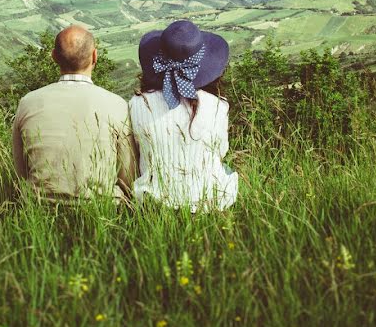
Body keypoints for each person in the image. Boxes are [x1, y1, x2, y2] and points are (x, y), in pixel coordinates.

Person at [12, 25, 136, 202]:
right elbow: (128, 178)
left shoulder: (28, 102)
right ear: (95, 56)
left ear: (54, 57)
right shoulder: (117, 105)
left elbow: (21, 173)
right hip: (103, 213)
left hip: (38, 210)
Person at [129, 19, 238, 212]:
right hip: (209, 203)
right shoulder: (218, 107)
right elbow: (220, 151)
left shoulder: (137, 105)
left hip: (153, 204)